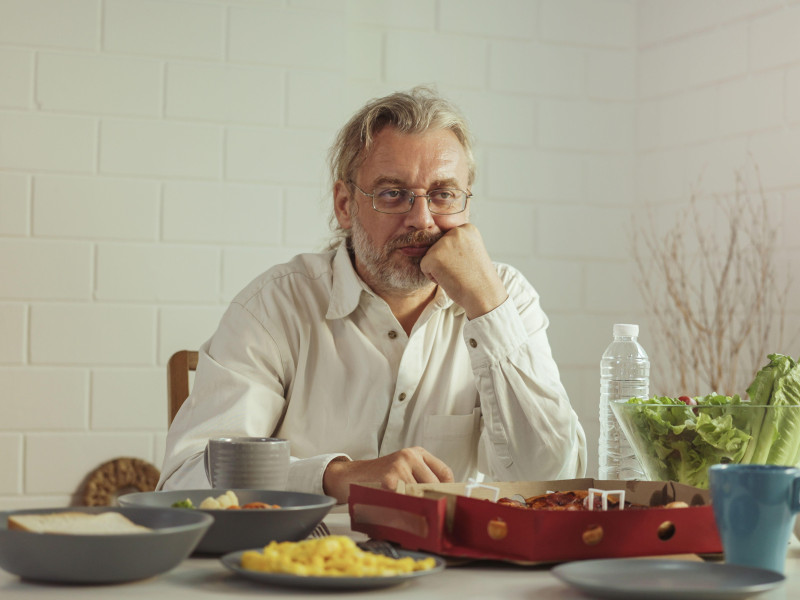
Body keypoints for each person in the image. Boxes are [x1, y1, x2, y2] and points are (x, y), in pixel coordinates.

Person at [158, 86, 586, 503]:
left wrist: (488, 308)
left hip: (455, 570)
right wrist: (336, 477)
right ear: (345, 205)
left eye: (443, 195)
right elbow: (186, 481)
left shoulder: (505, 299)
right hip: (301, 566)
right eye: (392, 194)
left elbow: (552, 479)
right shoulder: (275, 307)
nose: (422, 219)